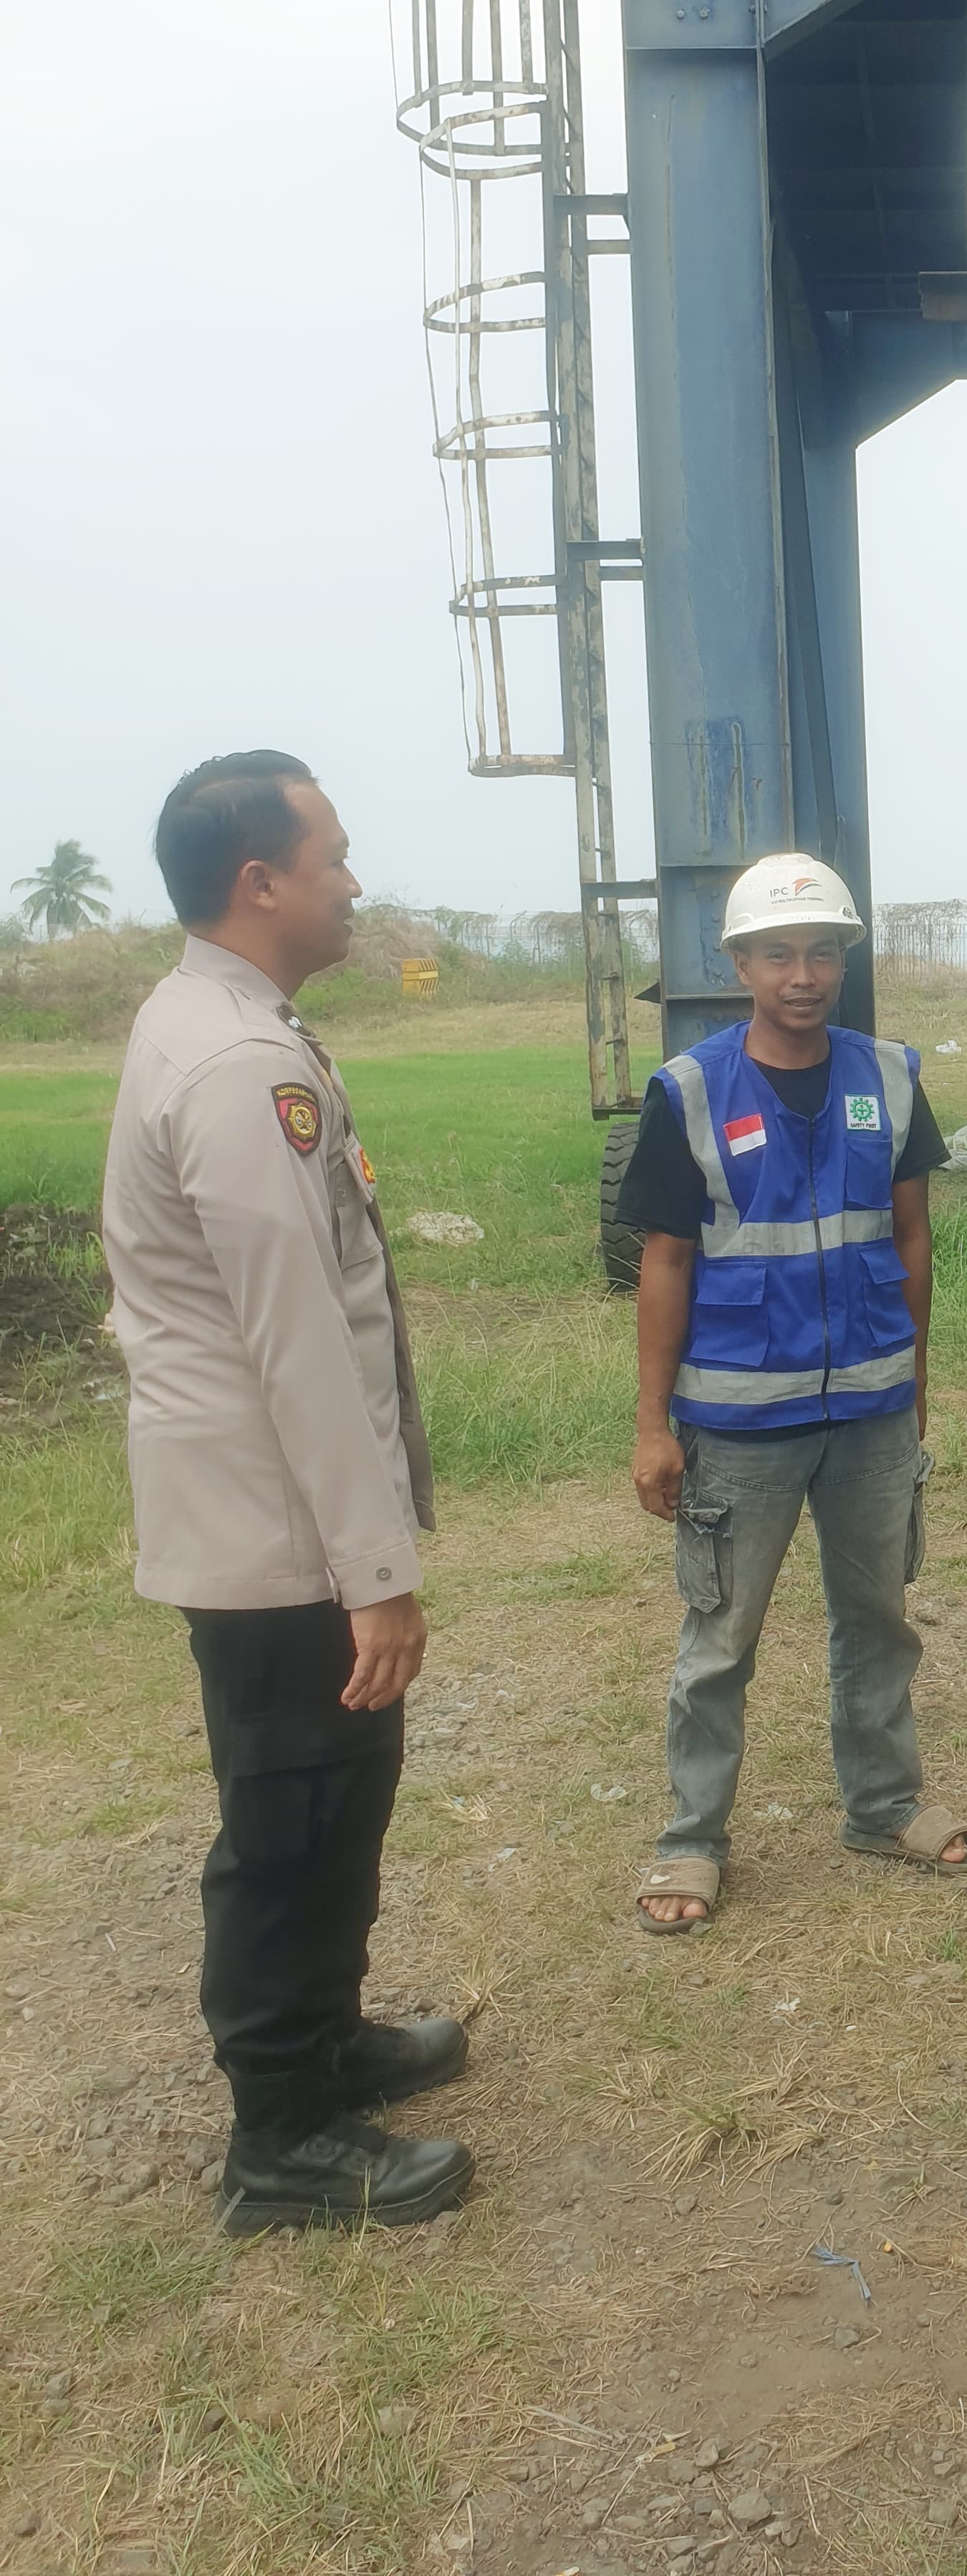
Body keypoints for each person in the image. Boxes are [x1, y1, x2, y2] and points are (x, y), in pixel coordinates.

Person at [100, 754, 472, 2236]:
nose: (354, 883)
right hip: (277, 1537)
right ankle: (282, 2139)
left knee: (335, 1796)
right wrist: (375, 1571)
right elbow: (298, 1337)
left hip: (276, 1520)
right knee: (291, 1823)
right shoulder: (235, 1063)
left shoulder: (222, 1022)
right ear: (260, 882)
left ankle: (326, 2045)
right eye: (334, 856)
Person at [615, 852, 967, 1928]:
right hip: (738, 1422)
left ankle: (883, 1805)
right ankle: (691, 1840)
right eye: (777, 954)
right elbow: (665, 1263)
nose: (804, 975)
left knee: (878, 1620)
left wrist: (914, 1380)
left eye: (823, 952)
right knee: (719, 1640)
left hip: (871, 1409)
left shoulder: (890, 1077)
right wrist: (651, 1427)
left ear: (846, 959)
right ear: (739, 964)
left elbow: (911, 1238)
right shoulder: (690, 1092)